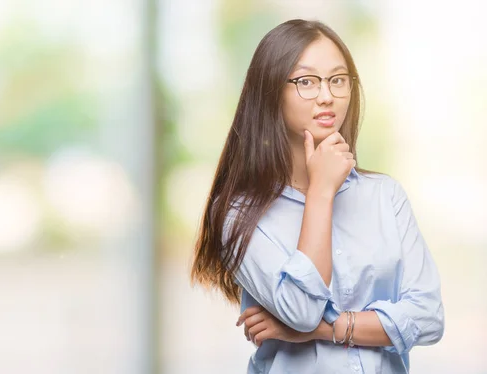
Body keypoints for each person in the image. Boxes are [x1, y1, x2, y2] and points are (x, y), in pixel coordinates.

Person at [190, 19, 444, 374]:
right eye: (306, 81)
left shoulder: (386, 196)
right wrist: (321, 192)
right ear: (270, 91)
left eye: (338, 80)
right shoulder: (237, 214)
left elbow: (428, 318)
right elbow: (301, 309)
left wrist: (322, 330)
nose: (327, 96)